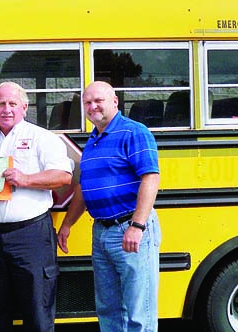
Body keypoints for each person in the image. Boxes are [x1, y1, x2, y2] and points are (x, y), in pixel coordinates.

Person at [0, 81, 72, 332]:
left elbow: (63, 176)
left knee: (37, 309)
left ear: (25, 107)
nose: (7, 109)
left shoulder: (42, 138)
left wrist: (25, 179)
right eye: (1, 103)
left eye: (13, 103)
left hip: (30, 235)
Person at [57, 81, 162, 332]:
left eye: (98, 101)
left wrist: (137, 225)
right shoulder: (93, 141)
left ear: (115, 101)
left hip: (130, 229)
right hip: (102, 233)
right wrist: (68, 224)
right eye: (87, 102)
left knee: (139, 313)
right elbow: (84, 189)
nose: (92, 106)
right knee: (108, 310)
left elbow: (151, 177)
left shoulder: (134, 132)